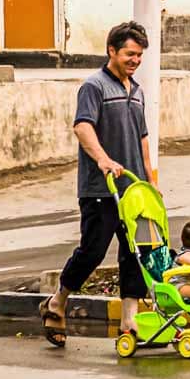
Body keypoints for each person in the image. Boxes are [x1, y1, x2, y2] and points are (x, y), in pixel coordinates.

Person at [39, 21, 155, 347]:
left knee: (137, 253)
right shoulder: (94, 87)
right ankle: (57, 301)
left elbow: (143, 138)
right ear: (112, 51)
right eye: (130, 54)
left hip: (135, 190)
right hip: (101, 189)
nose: (135, 60)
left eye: (139, 55)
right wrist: (103, 158)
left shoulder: (137, 91)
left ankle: (129, 321)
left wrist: (151, 180)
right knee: (92, 252)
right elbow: (82, 127)